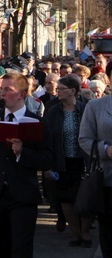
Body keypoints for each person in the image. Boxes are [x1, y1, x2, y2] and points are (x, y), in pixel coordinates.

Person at [0, 72, 54, 258]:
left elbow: (48, 159)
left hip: (23, 194)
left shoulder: (38, 122)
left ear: (21, 95)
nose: (2, 93)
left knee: (21, 248)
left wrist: (21, 153)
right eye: (1, 89)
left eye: (8, 90)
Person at [45, 74, 91, 248]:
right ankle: (76, 233)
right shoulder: (53, 111)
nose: (58, 92)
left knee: (85, 198)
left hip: (83, 161)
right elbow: (47, 139)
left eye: (61, 89)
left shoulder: (86, 108)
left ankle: (86, 232)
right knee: (66, 199)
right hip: (62, 161)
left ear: (72, 91)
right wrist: (48, 166)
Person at [80, 88, 112, 257]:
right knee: (108, 232)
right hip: (107, 180)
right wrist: (106, 150)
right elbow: (85, 139)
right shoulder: (95, 106)